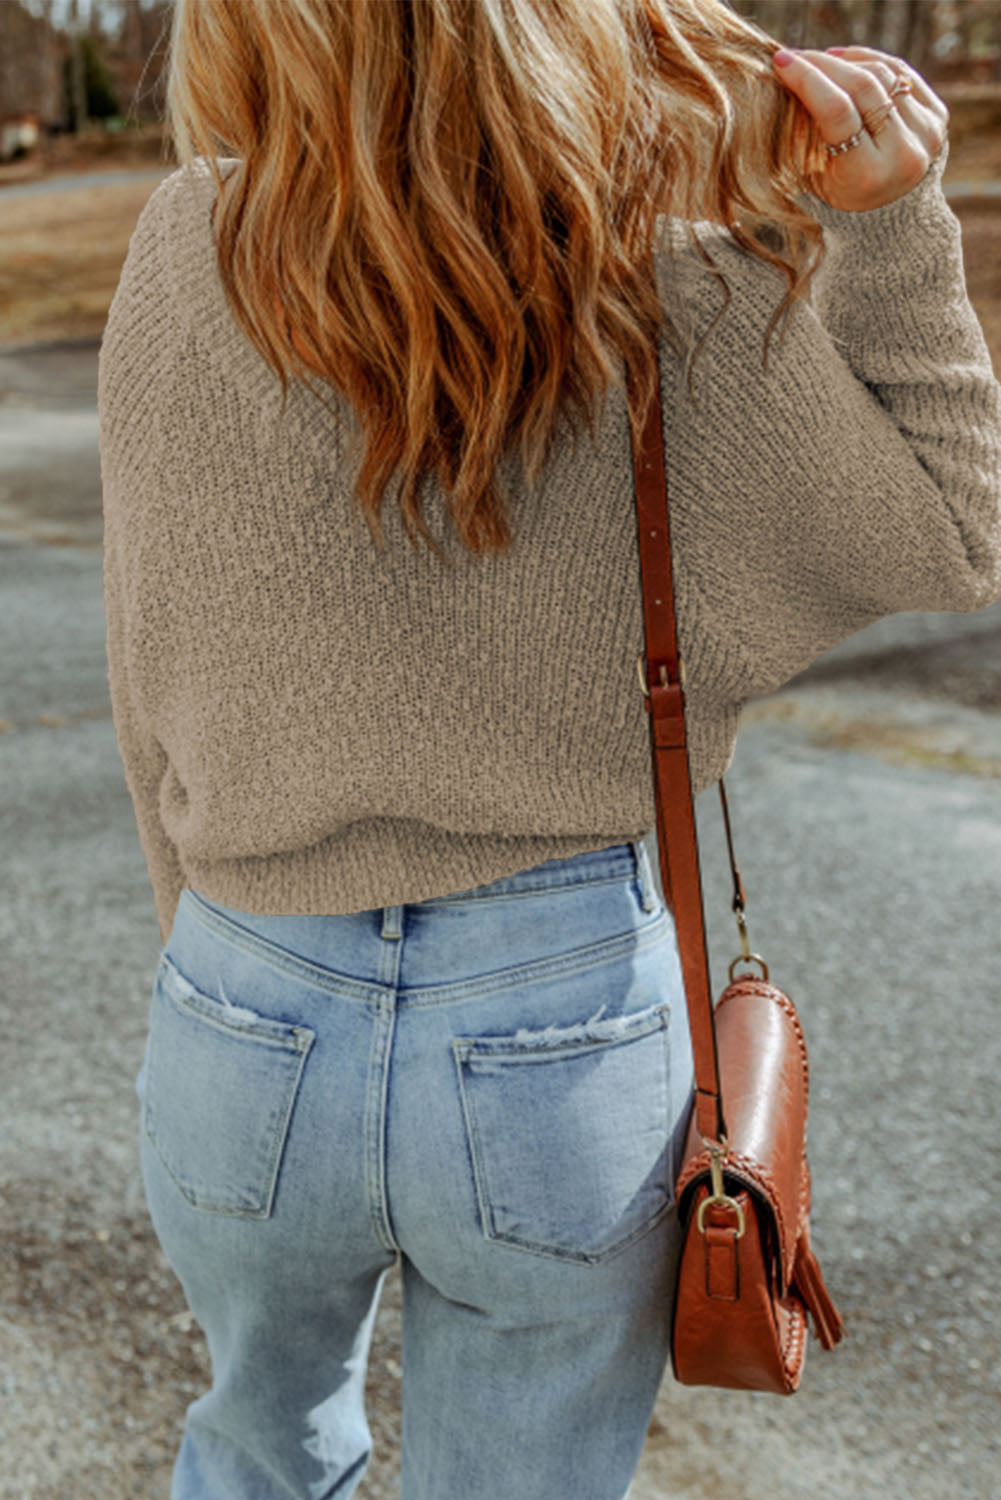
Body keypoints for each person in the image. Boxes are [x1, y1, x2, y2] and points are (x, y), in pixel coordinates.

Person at [97, 1, 1001, 1497]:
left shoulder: (184, 246)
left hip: (246, 995)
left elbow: (146, 670)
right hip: (559, 1022)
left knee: (254, 1449)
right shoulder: (668, 282)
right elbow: (958, 524)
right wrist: (895, 226)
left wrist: (197, 958)